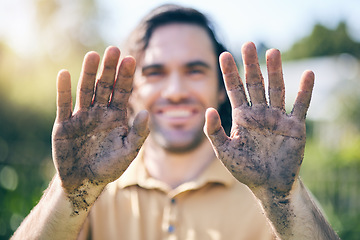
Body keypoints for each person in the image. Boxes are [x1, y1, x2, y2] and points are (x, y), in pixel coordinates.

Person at [12, 4, 340, 240]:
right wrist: (72, 194)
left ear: (221, 88)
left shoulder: (270, 197)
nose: (176, 91)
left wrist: (281, 199)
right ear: (132, 89)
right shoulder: (94, 194)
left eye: (194, 70)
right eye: (155, 72)